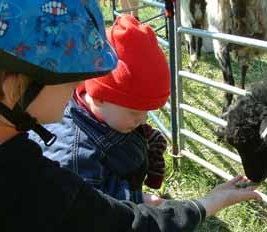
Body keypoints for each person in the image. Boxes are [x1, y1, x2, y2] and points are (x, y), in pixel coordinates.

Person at [0, 1, 261, 232]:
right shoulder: (35, 186)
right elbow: (121, 229)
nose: (80, 88)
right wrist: (205, 204)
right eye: (71, 79)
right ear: (13, 87)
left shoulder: (12, 154)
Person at [30, 15, 170, 206]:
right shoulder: (74, 154)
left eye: (145, 112)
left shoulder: (112, 117)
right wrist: (137, 200)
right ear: (99, 97)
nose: (143, 120)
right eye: (135, 113)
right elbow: (88, 204)